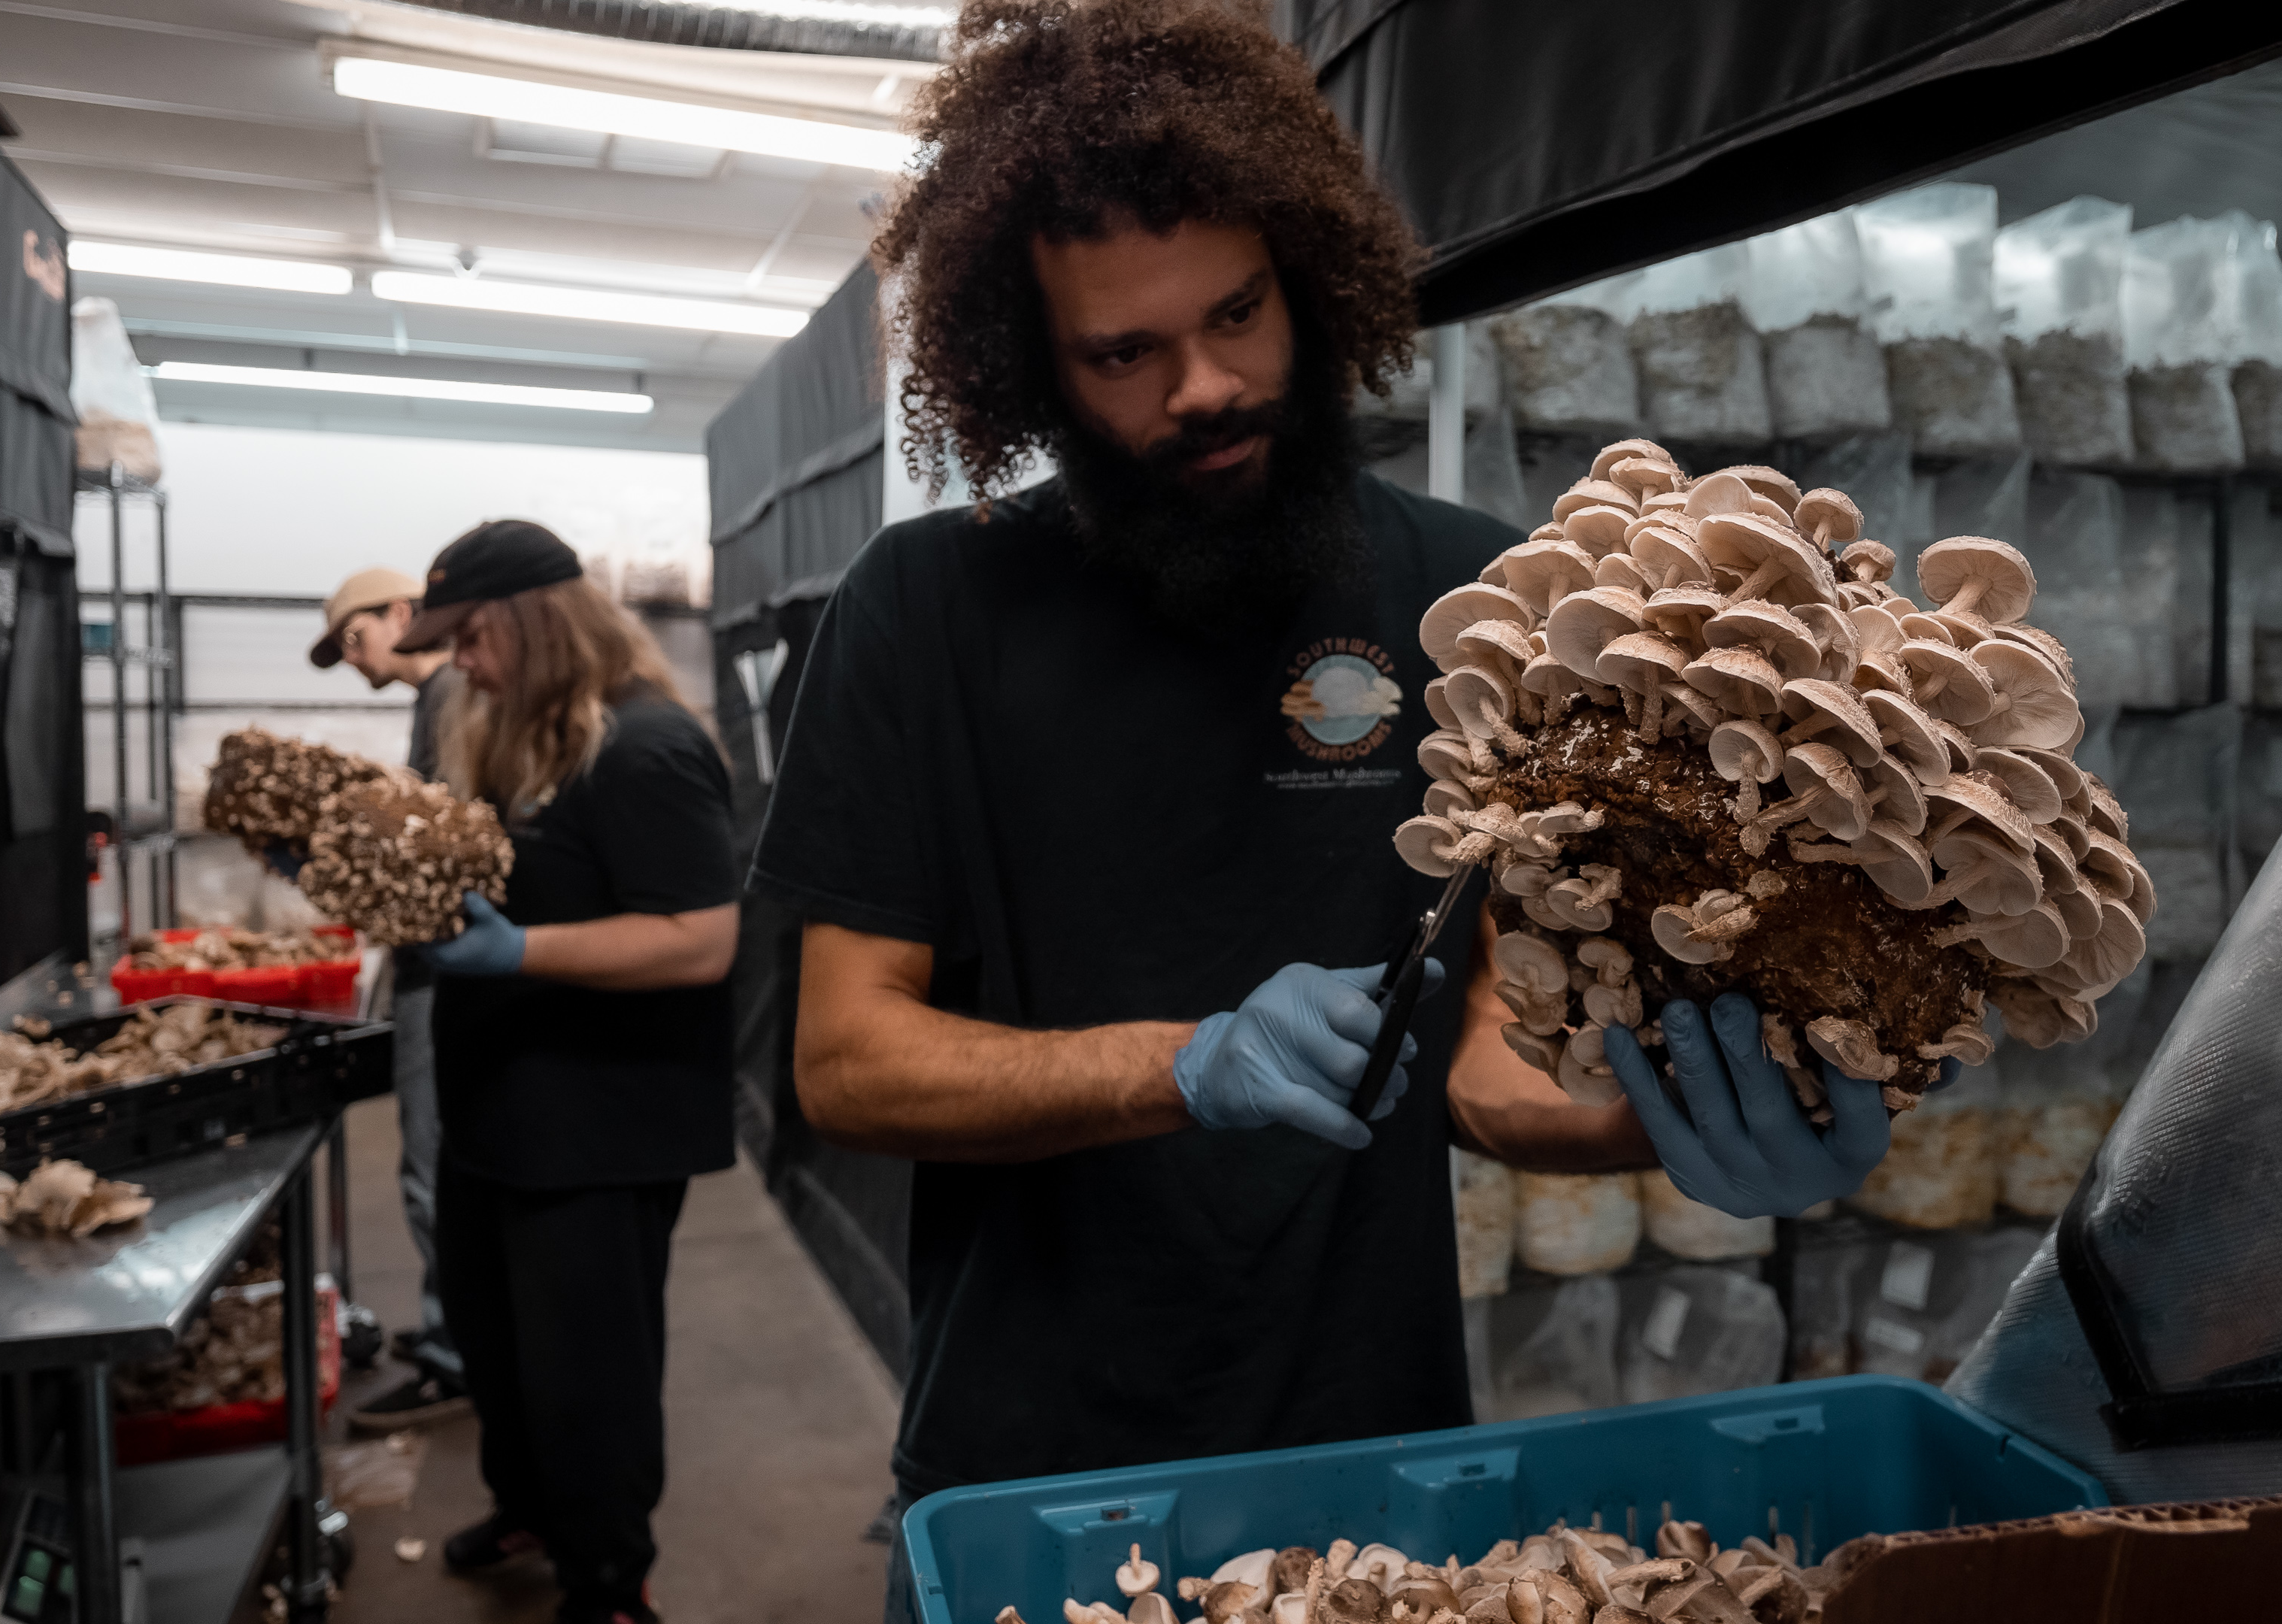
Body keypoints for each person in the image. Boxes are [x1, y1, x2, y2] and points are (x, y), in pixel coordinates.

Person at [742, 5, 1914, 1618]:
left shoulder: (1478, 597)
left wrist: (1692, 1131)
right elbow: (845, 1055)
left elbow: (1492, 1056)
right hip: (1034, 1475)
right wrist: (1189, 1064)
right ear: (1030, 361)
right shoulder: (928, 610)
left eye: (1239, 311)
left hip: (1384, 1481)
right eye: (1124, 354)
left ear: (1308, 267)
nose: (1209, 385)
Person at [390, 520, 742, 1624]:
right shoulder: (519, 739)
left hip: (599, 1129)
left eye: (472, 637)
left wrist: (521, 952)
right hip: (498, 1114)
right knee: (496, 1351)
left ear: (537, 623)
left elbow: (702, 937)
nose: (458, 662)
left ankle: (608, 1579)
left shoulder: (643, 748)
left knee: (587, 1376)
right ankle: (531, 1506)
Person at [308, 567, 473, 1433]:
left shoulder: (449, 695)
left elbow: (444, 860)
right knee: (433, 1161)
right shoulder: (437, 701)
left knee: (432, 1165)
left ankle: (458, 1357)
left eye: (354, 634)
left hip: (443, 971)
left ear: (404, 614)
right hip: (429, 966)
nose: (350, 652)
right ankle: (455, 1333)